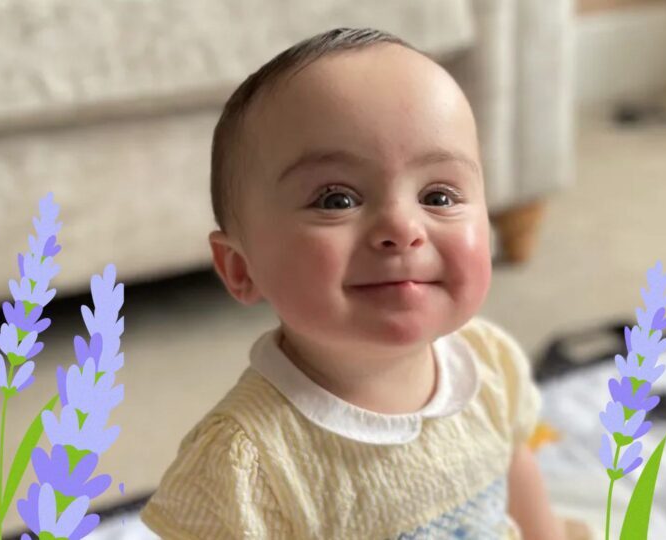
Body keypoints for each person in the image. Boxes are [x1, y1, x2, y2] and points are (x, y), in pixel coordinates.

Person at [140, 27, 565, 539]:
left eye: (439, 196)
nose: (403, 230)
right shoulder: (244, 465)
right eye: (336, 200)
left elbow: (515, 475)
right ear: (240, 268)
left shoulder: (490, 363)